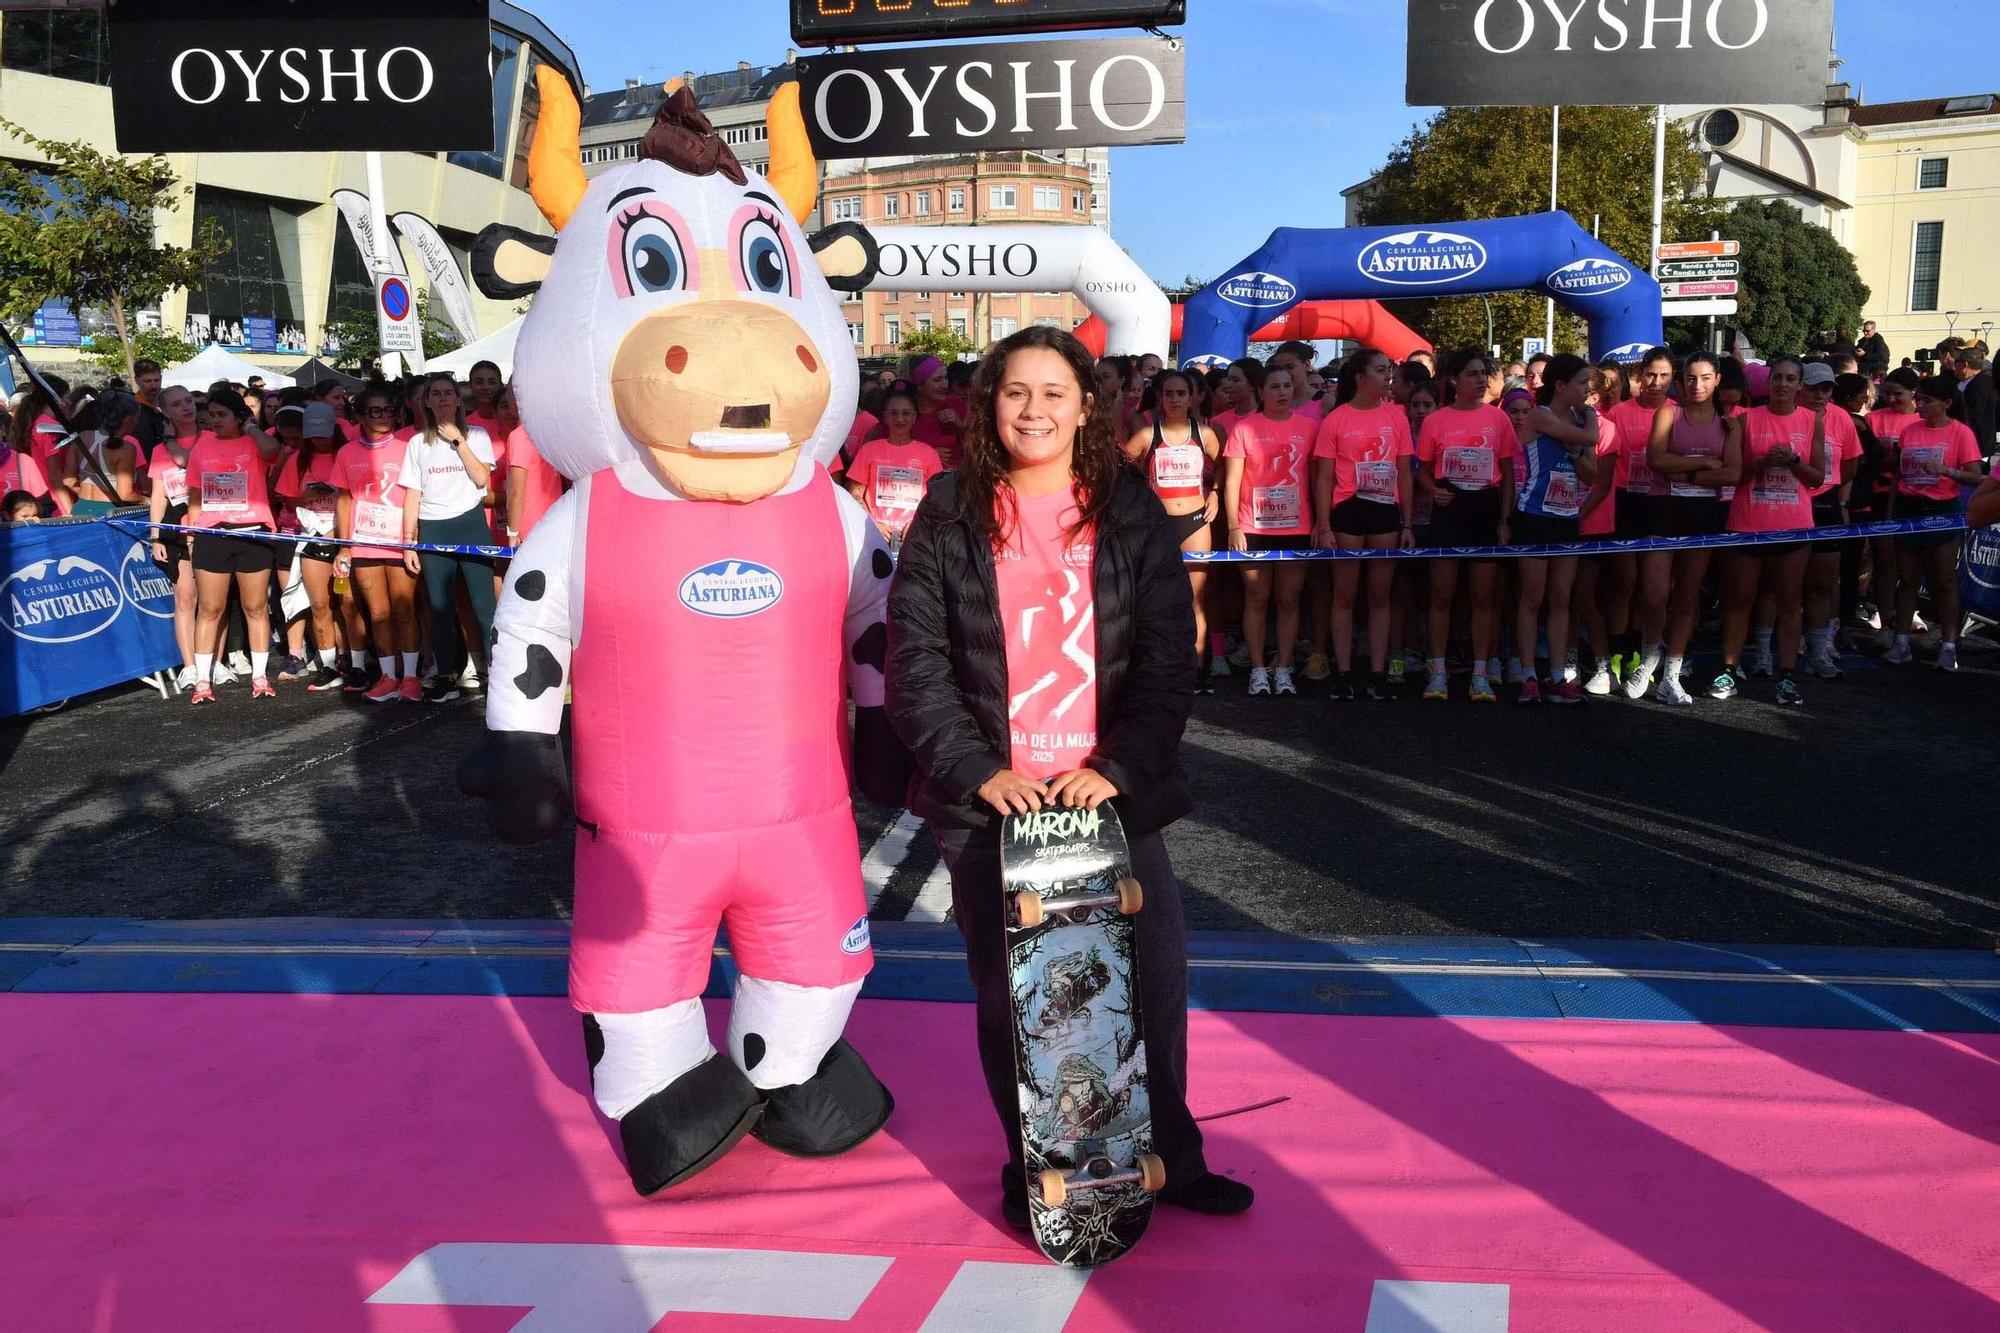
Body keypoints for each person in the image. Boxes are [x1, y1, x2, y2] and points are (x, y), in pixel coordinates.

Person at [885, 325, 1252, 1231]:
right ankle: (1037, 1163)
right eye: (1017, 392)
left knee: (1152, 984)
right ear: (990, 405)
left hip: (1110, 799)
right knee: (1016, 1001)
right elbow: (915, 663)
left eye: (1055, 392)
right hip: (992, 807)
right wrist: (977, 770)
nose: (1035, 409)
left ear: (1087, 404)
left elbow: (1171, 661)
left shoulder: (1128, 509)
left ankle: (1170, 1156)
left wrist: (1119, 767)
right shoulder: (948, 509)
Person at [1709, 358, 1824, 706]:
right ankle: (1729, 669)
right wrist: (1760, 463)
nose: (1783, 385)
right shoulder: (1747, 419)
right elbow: (1734, 474)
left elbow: (1818, 478)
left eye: (1791, 379)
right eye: (1777, 378)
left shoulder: (1811, 421)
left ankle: (1787, 675)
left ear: (1799, 385)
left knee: (1790, 602)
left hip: (1793, 526)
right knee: (1739, 601)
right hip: (1748, 523)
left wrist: (1792, 461)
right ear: (1768, 382)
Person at [1417, 348, 1520, 703]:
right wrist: (1433, 491)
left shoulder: (1499, 419)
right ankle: (1439, 672)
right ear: (1454, 381)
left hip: (1485, 507)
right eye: (1473, 374)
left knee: (1482, 597)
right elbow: (1423, 469)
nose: (1480, 381)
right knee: (1442, 596)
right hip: (1449, 508)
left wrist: (1505, 519)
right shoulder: (1435, 420)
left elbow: (1508, 475)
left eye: (1484, 375)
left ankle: (1480, 673)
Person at [1311, 348, 1413, 701]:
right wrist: (1323, 525)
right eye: (1380, 370)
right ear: (1360, 377)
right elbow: (1323, 478)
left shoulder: (1396, 416)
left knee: (1380, 595)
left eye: (1389, 370)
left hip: (1385, 510)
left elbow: (1404, 473)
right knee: (1345, 595)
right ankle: (1342, 672)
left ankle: (1377, 672)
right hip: (1347, 511)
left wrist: (1409, 522)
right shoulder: (1336, 419)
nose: (1387, 376)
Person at [1645, 352, 1742, 706]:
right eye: (1689, 378)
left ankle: (1672, 673)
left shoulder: (1730, 424)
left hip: (1703, 514)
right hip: (1664, 510)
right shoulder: (1668, 413)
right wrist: (1701, 464)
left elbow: (1731, 473)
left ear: (1716, 380)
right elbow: (1656, 460)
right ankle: (1649, 657)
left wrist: (1682, 472)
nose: (1696, 385)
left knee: (1687, 597)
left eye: (1704, 378)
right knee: (1655, 595)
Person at [401, 372, 499, 703]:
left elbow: (481, 477)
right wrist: (408, 541)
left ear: (459, 400)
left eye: (448, 393)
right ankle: (445, 676)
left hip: (470, 524)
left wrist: (458, 440)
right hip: (433, 527)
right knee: (440, 608)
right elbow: (412, 495)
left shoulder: (478, 435)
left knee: (484, 606)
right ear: (426, 402)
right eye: (435, 394)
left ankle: (495, 673)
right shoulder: (417, 443)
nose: (442, 398)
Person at [1509, 355, 1600, 705]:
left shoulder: (1576, 420)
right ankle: (1528, 674)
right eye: (1581, 383)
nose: (1587, 390)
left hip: (1566, 516)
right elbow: (1591, 435)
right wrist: (1591, 417)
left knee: (1561, 598)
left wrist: (1577, 452)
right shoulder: (1539, 415)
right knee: (1532, 597)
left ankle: (1559, 675)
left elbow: (1591, 475)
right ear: (1560, 385)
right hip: (1533, 515)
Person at [183, 389, 284, 703]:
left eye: (221, 415)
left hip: (252, 533)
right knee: (210, 609)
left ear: (239, 416)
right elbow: (195, 496)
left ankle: (259, 676)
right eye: (211, 415)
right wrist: (192, 535)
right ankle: (203, 679)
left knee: (255, 608)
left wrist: (251, 427)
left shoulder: (254, 442)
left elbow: (274, 451)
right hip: (213, 535)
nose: (214, 421)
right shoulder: (202, 447)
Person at [1127, 369, 1223, 691]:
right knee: (1157, 600)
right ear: (1160, 398)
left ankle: (1197, 670)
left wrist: (1216, 492)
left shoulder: (1205, 434)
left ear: (1193, 397)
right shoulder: (1146, 435)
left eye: (1181, 393)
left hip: (1196, 521)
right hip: (1159, 525)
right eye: (1169, 394)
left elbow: (1229, 463)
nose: (1175, 400)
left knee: (1195, 600)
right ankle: (1160, 666)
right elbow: (1121, 470)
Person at [1222, 361, 1314, 696]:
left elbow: (1316, 479)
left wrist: (1319, 523)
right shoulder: (1244, 428)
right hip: (1253, 525)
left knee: (1289, 600)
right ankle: (1259, 669)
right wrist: (1233, 526)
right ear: (1261, 391)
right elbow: (1232, 481)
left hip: (1297, 526)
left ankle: (1284, 668)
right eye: (1274, 387)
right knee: (1257, 598)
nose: (1282, 393)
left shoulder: (1308, 427)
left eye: (1287, 386)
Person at [1884, 375, 1985, 671]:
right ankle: (1901, 642)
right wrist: (1891, 514)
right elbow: (1897, 476)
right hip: (1908, 507)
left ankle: (1949, 646)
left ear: (1947, 404)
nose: (1921, 405)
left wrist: (1945, 470)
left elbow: (1976, 475)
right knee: (1908, 579)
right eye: (1919, 399)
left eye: (1927, 400)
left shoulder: (1961, 433)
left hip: (1943, 509)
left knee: (1943, 580)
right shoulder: (1909, 431)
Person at [333, 383, 423, 700]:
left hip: (400, 542)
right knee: (378, 614)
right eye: (376, 411)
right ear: (360, 415)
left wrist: (412, 538)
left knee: (404, 611)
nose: (384, 416)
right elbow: (344, 502)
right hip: (363, 543)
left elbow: (416, 495)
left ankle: (411, 677)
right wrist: (344, 546)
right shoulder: (346, 453)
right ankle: (388, 676)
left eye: (389, 410)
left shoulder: (408, 446)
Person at [1601, 348, 1677, 696]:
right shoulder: (1619, 412)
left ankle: (1648, 656)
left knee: (1655, 592)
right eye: (1650, 375)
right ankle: (1618, 655)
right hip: (1624, 502)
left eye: (1663, 376)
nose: (1656, 382)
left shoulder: (1678, 413)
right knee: (1623, 584)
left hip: (1662, 504)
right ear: (1639, 376)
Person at [274, 403, 350, 691]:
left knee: (345, 602)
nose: (319, 440)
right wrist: (306, 495)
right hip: (312, 535)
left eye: (324, 433)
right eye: (313, 434)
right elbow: (286, 500)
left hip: (343, 535)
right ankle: (328, 662)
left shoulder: (345, 453)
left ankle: (350, 658)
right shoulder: (297, 459)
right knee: (319, 603)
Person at [1798, 363, 1865, 679]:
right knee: (1783, 585)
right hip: (1787, 504)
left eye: (1826, 389)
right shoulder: (1787, 413)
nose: (1819, 395)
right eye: (1813, 388)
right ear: (1800, 388)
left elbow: (1851, 464)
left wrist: (1834, 490)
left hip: (1825, 504)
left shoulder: (1841, 419)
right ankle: (1781, 648)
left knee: (1823, 584)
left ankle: (1819, 649)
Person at [146, 385, 202, 688]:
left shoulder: (209, 438)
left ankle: (212, 661)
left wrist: (170, 441)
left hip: (208, 525)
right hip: (175, 530)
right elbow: (158, 496)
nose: (186, 408)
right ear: (166, 412)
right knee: (185, 597)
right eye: (177, 404)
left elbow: (189, 462)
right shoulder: (159, 451)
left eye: (189, 401)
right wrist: (155, 537)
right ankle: (190, 665)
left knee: (211, 600)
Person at [846, 388, 944, 551]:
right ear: (885, 416)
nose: (900, 419)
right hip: (874, 535)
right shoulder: (869, 450)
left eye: (906, 413)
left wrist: (918, 523)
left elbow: (937, 498)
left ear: (914, 417)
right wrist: (871, 523)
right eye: (894, 413)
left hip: (916, 537)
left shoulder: (929, 454)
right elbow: (854, 493)